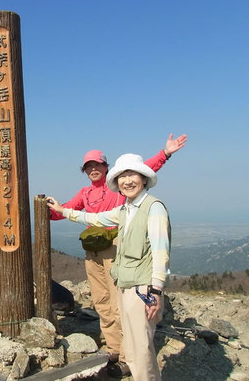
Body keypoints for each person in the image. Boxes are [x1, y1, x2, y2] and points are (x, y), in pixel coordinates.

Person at [49, 134, 186, 377]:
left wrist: (165, 154)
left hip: (118, 255)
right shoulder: (89, 194)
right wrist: (51, 211)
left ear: (105, 167)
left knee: (120, 306)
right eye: (88, 166)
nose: (93, 169)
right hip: (93, 254)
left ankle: (127, 356)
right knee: (103, 301)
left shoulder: (129, 198)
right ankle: (114, 348)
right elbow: (80, 214)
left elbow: (140, 172)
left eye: (97, 165)